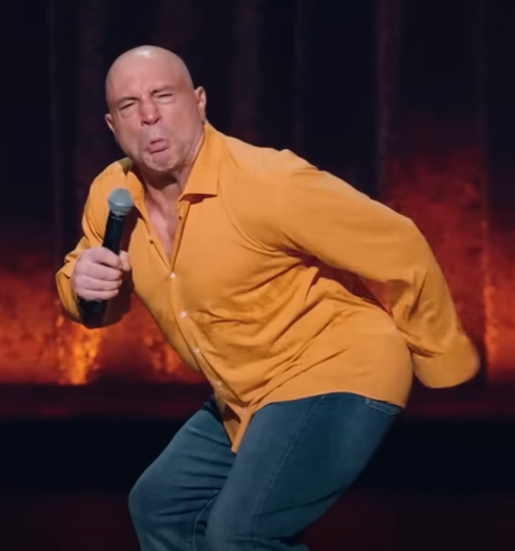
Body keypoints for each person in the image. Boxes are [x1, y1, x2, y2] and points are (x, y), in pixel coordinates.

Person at [56, 45, 480, 551]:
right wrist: (81, 285)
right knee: (163, 506)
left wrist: (440, 362)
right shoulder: (113, 194)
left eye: (163, 95)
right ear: (112, 125)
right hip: (245, 392)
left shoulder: (267, 183)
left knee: (242, 532)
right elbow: (94, 288)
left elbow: (398, 244)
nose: (148, 115)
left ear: (199, 102)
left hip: (337, 369)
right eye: (129, 105)